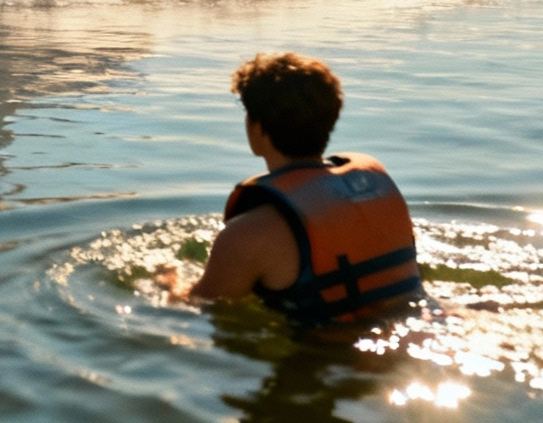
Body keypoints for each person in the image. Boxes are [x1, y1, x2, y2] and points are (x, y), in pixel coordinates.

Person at [158, 52, 422, 324]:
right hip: (420, 320)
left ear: (256, 128)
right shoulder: (372, 189)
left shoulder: (247, 235)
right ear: (331, 118)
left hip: (329, 355)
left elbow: (195, 307)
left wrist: (168, 281)